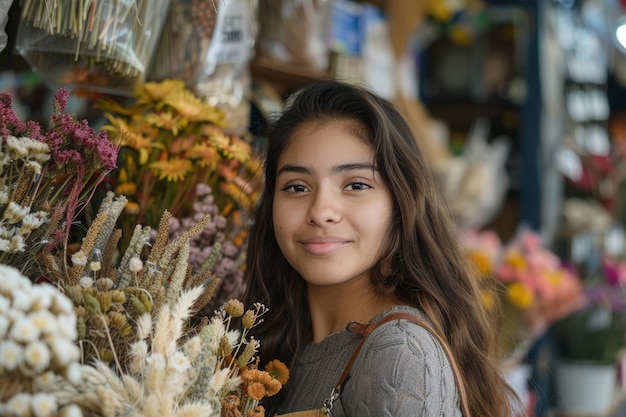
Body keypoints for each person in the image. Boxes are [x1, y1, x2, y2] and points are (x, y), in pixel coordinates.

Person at [243, 79, 521, 417]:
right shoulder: (271, 338)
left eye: (356, 184)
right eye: (297, 187)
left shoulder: (400, 354)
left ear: (401, 205)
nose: (320, 211)